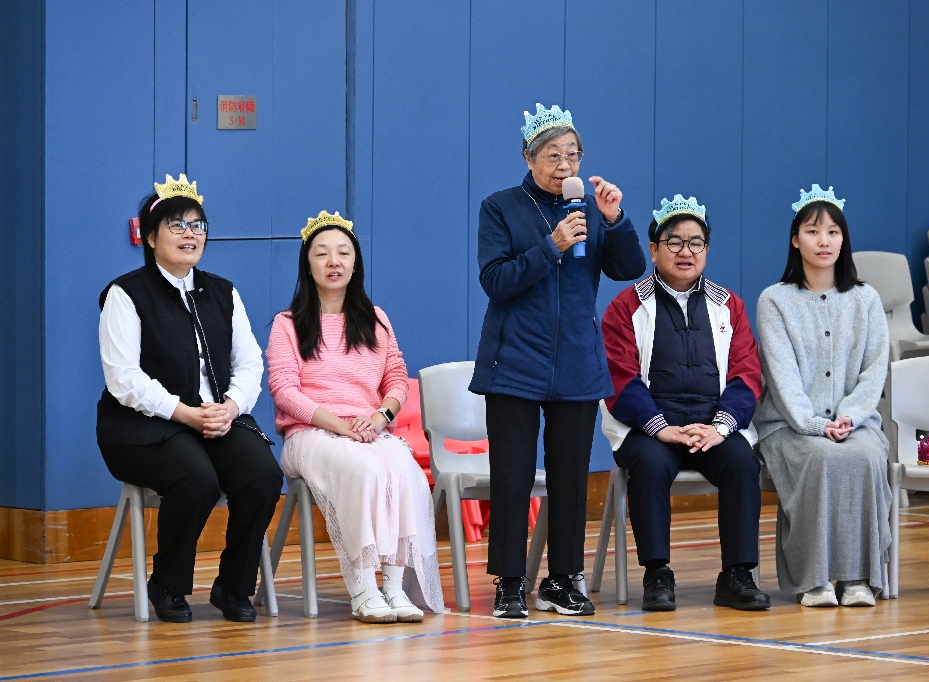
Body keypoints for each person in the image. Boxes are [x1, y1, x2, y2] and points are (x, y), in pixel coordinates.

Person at [470, 103, 647, 618]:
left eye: (573, 154)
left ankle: (563, 579)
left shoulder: (589, 208)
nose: (564, 164)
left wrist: (616, 219)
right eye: (552, 155)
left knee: (571, 476)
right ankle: (510, 581)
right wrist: (551, 245)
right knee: (512, 475)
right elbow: (496, 280)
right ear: (529, 159)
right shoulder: (500, 207)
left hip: (576, 361)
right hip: (514, 362)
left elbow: (630, 268)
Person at [97, 174, 283, 623]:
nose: (190, 234)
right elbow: (123, 378)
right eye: (177, 225)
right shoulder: (125, 293)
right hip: (143, 427)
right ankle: (168, 584)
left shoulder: (223, 291)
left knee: (262, 475)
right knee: (196, 478)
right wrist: (183, 413)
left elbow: (250, 362)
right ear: (150, 237)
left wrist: (231, 407)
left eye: (197, 225)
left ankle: (234, 587)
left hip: (216, 418)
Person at [267, 211, 444, 624]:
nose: (334, 261)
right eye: (322, 253)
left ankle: (394, 587)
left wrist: (380, 418)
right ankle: (363, 588)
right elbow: (284, 390)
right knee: (364, 470)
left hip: (368, 430)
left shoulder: (376, 319)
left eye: (343, 252)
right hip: (311, 434)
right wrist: (340, 426)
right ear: (307, 264)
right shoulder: (287, 324)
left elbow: (396, 377)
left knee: (405, 470)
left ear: (355, 262)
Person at [601, 194, 770, 611]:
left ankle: (737, 575)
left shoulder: (729, 305)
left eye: (696, 242)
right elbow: (618, 376)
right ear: (653, 249)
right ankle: (657, 573)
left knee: (743, 463)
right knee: (650, 464)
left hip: (712, 426)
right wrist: (660, 427)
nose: (685, 251)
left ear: (707, 250)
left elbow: (747, 374)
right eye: (674, 242)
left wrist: (720, 427)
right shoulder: (626, 306)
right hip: (649, 427)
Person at [754, 185, 891, 607]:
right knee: (820, 457)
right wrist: (815, 424)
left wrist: (850, 416)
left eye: (833, 232)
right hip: (789, 426)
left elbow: (874, 371)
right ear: (796, 240)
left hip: (856, 423)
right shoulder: (774, 301)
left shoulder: (866, 300)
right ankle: (813, 580)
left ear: (843, 240)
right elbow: (782, 378)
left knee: (865, 456)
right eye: (813, 232)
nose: (824, 241)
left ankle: (857, 578)